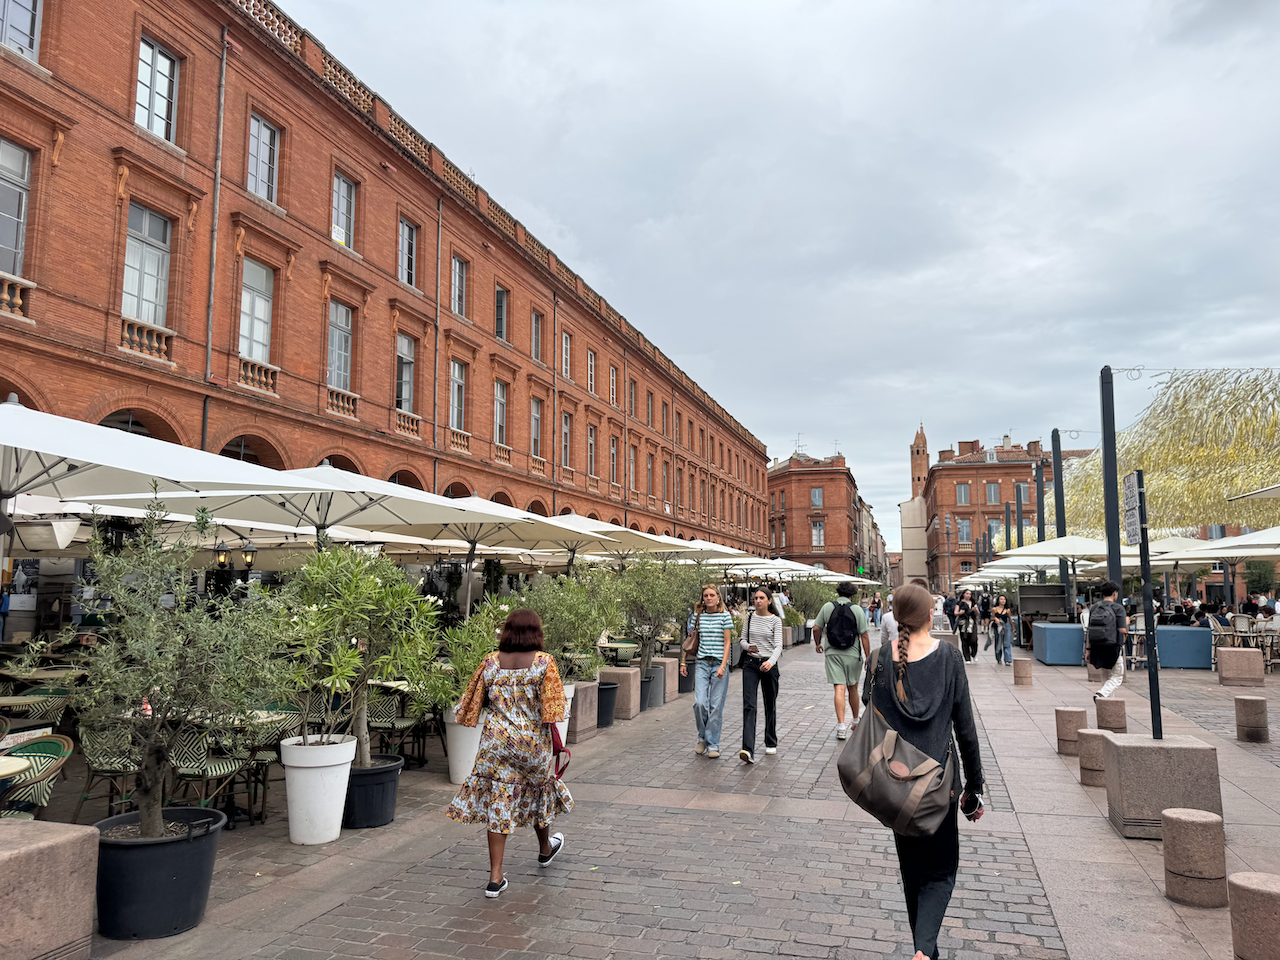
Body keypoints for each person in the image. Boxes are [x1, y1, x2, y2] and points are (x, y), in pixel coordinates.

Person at [862, 583, 985, 960]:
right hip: (940, 786)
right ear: (931, 615)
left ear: (895, 616)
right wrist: (974, 785)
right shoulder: (949, 657)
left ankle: (925, 949)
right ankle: (923, 950)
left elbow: (869, 707)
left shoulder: (879, 659)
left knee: (912, 872)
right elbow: (965, 728)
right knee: (941, 872)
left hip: (895, 787)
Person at [446, 609, 573, 898]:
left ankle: (495, 877)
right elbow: (555, 710)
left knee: (499, 801)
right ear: (536, 631)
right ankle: (545, 848)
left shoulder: (490, 662)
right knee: (538, 792)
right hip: (531, 744)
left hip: (495, 743)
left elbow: (470, 703)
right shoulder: (544, 662)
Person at [813, 581, 872, 739]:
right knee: (853, 688)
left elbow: (816, 628)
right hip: (852, 653)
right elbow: (864, 635)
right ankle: (855, 721)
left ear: (838, 592)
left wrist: (818, 644)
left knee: (839, 688)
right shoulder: (857, 610)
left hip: (833, 653)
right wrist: (868, 657)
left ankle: (841, 726)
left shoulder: (827, 607)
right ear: (852, 595)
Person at [681, 584, 733, 758]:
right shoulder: (697, 617)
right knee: (700, 703)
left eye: (712, 595)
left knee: (716, 706)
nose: (709, 598)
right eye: (706, 596)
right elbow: (690, 640)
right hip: (702, 663)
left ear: (718, 598)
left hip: (718, 663)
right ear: (702, 599)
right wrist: (683, 662)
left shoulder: (725, 616)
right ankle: (702, 737)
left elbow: (727, 642)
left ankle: (713, 744)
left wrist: (723, 666)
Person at [738, 585, 783, 764]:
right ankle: (747, 749)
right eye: (756, 598)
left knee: (769, 703)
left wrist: (770, 662)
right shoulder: (749, 617)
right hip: (751, 663)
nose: (757, 601)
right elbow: (742, 639)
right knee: (749, 705)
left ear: (769, 601)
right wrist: (747, 647)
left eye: (761, 598)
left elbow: (779, 645)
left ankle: (770, 740)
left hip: (769, 664)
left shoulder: (775, 621)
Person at [1088, 581, 1128, 700]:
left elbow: (1089, 630)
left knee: (1105, 676)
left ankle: (1107, 702)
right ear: (1115, 593)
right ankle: (1102, 695)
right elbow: (1122, 630)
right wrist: (1127, 623)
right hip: (1113, 646)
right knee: (1117, 676)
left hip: (1096, 646)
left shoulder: (1095, 607)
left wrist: (1088, 650)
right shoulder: (1118, 608)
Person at [953, 589, 979, 662]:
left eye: (970, 594)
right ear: (963, 594)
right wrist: (960, 613)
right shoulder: (959, 603)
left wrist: (975, 610)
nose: (968, 595)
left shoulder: (973, 603)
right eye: (967, 593)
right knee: (964, 639)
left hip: (972, 622)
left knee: (974, 639)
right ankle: (967, 658)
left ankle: (973, 653)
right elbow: (955, 612)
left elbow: (978, 613)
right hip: (963, 622)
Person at [990, 594, 1012, 665]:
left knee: (1007, 643)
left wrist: (1013, 628)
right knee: (998, 642)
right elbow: (991, 618)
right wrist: (995, 619)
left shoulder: (1007, 610)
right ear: (998, 601)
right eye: (1001, 599)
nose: (1003, 601)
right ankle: (998, 658)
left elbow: (1010, 619)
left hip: (1006, 626)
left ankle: (1008, 659)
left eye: (1004, 599)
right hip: (998, 627)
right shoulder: (994, 609)